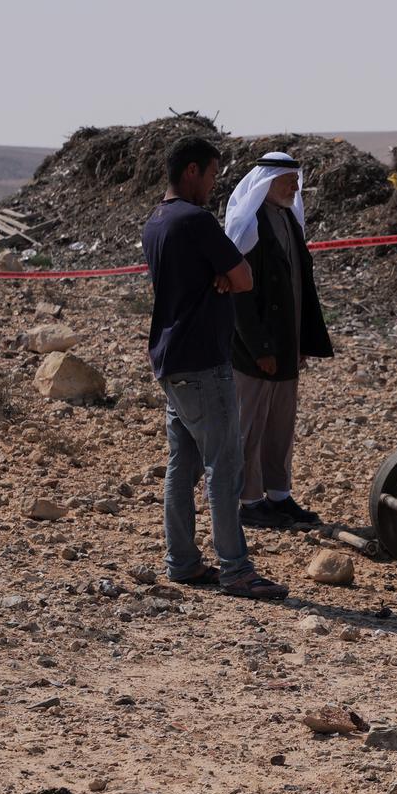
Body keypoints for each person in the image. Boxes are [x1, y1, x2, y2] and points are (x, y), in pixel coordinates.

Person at [141, 135, 288, 600]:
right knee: (224, 467)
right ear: (191, 171)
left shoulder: (156, 222)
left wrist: (221, 276)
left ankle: (182, 561)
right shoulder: (195, 220)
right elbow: (242, 277)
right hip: (204, 361)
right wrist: (225, 275)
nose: (212, 185)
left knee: (182, 465)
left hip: (171, 359)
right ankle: (235, 568)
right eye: (210, 174)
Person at [222, 151, 334, 529]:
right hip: (255, 349)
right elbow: (239, 297)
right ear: (266, 182)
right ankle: (249, 501)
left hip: (286, 345)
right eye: (289, 180)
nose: (295, 187)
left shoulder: (287, 218)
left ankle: (279, 496)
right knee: (250, 426)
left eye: (296, 180)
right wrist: (261, 348)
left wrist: (299, 342)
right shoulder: (248, 224)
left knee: (280, 424)